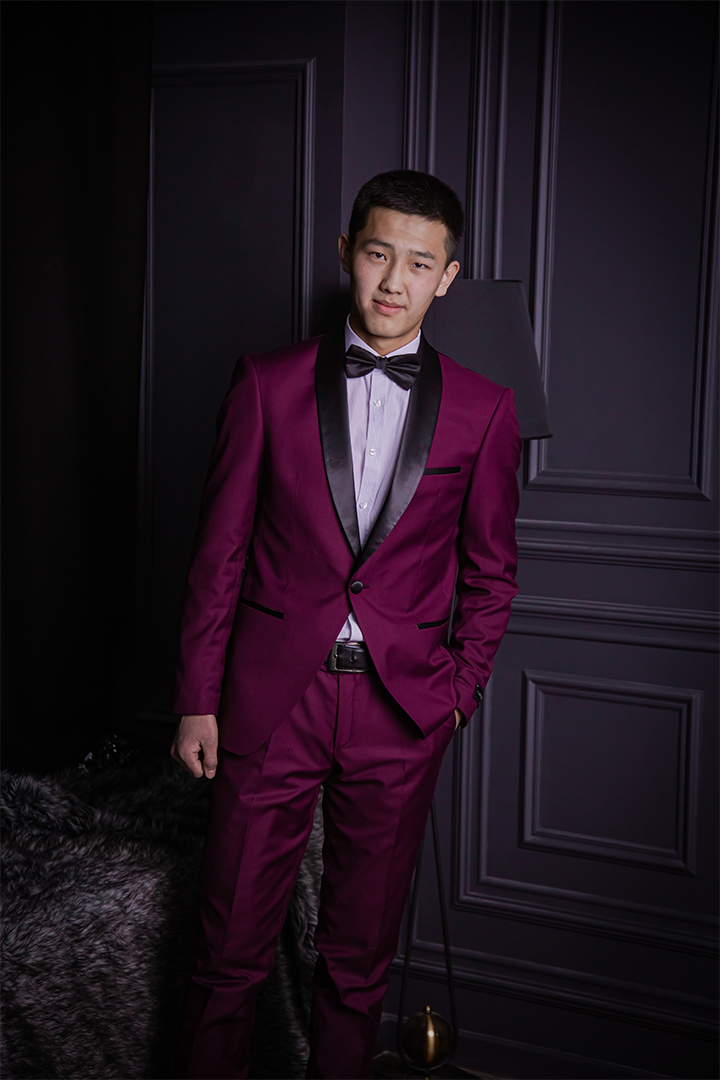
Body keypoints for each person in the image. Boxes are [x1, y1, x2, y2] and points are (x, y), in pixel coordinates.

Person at [171, 169, 521, 1079]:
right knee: (226, 957)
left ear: (447, 277)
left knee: (358, 967)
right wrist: (198, 699)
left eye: (419, 264)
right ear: (345, 255)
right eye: (377, 254)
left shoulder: (485, 410)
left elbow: (491, 573)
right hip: (269, 704)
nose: (394, 282)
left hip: (400, 712)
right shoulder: (265, 384)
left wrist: (456, 694)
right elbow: (219, 556)